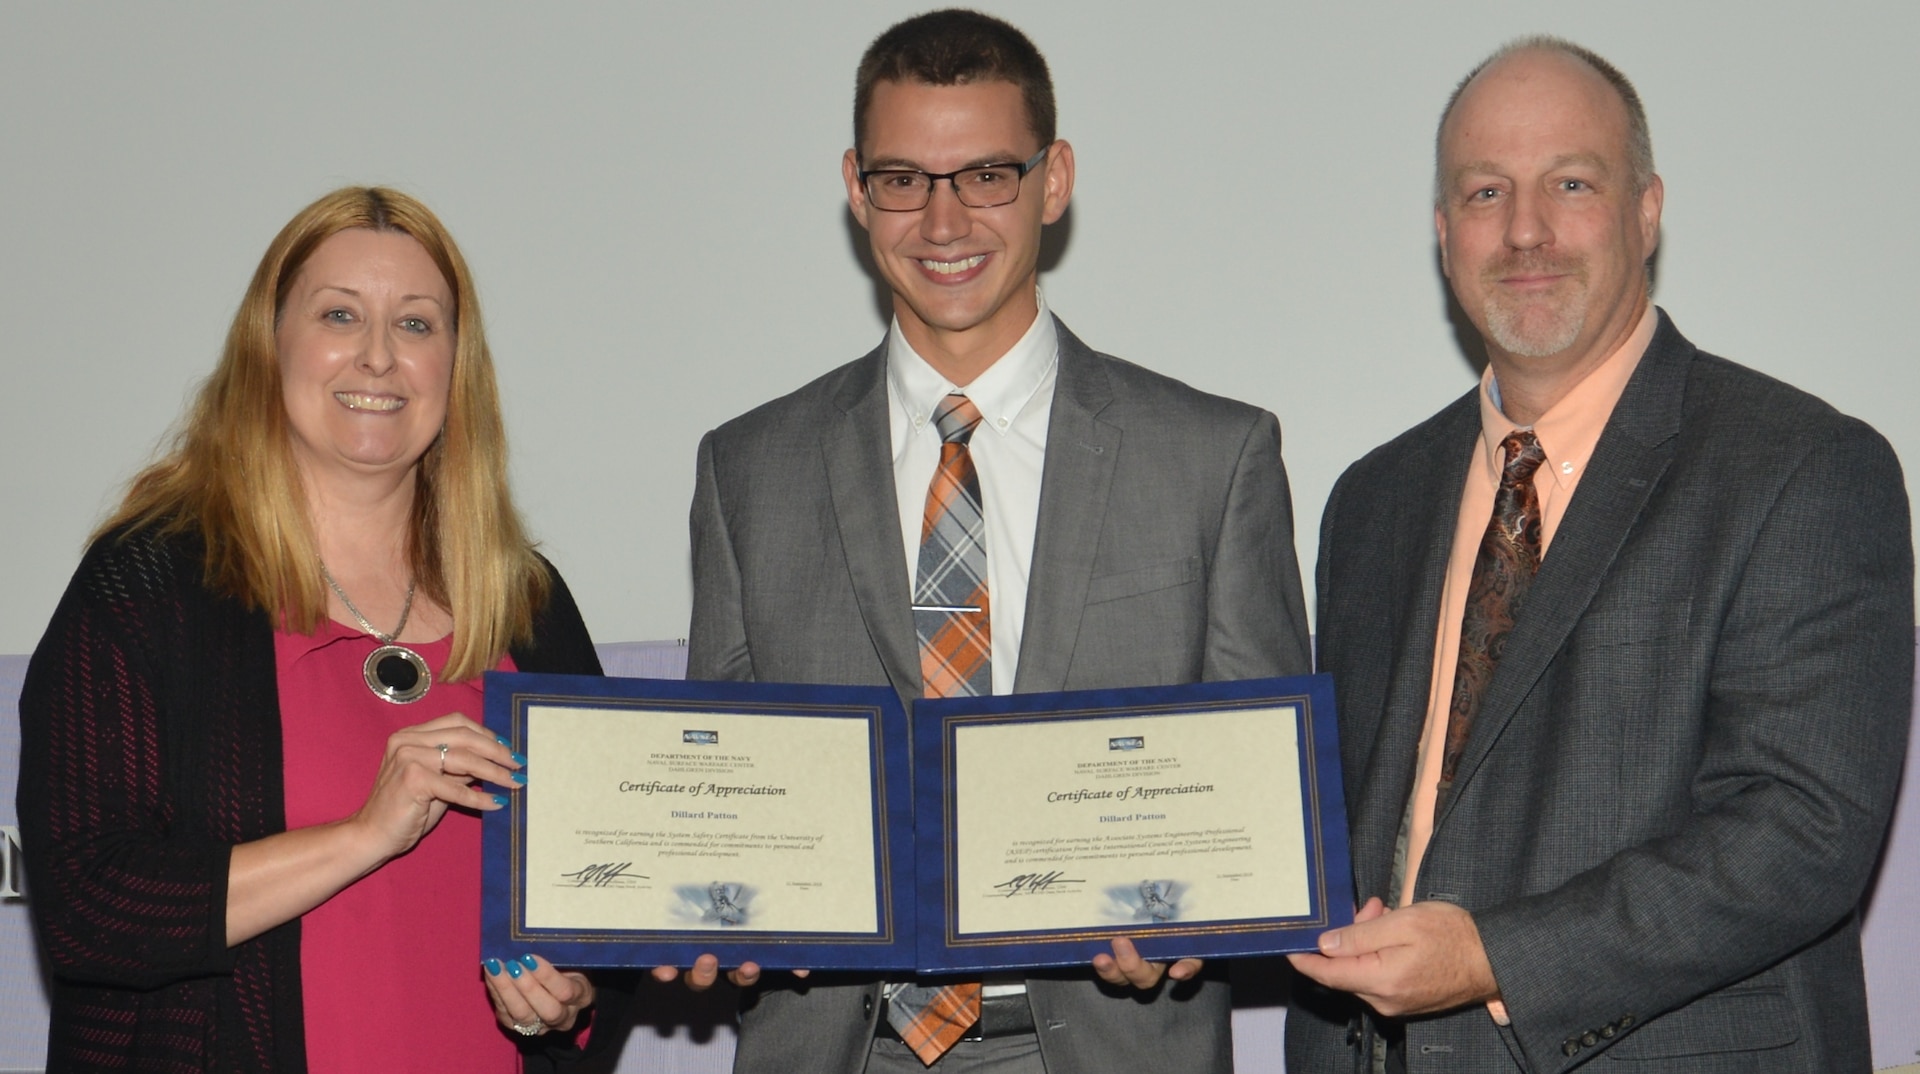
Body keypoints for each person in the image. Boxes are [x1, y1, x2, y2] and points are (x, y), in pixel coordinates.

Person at [675, 9, 1310, 1073]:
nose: (942, 219)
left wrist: (1192, 920)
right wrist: (708, 909)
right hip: (838, 1044)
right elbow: (727, 796)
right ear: (854, 186)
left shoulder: (1213, 457)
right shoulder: (747, 469)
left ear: (1054, 180)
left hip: (1114, 1046)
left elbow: (1256, 811)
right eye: (902, 179)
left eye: (987, 176)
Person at [1285, 38, 1913, 1072]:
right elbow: (1335, 831)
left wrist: (1494, 958)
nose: (1525, 230)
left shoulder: (1803, 468)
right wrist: (1177, 918)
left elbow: (1802, 832)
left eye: (1569, 184)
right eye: (1486, 193)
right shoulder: (1374, 500)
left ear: (1647, 211)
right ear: (1444, 234)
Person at [16, 187, 625, 1071]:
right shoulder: (151, 584)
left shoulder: (526, 601)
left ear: (457, 368)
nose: (379, 357)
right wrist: (364, 834)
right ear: (270, 347)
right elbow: (91, 909)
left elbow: (600, 903)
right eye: (340, 315)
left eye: (417, 326)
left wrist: (569, 999)